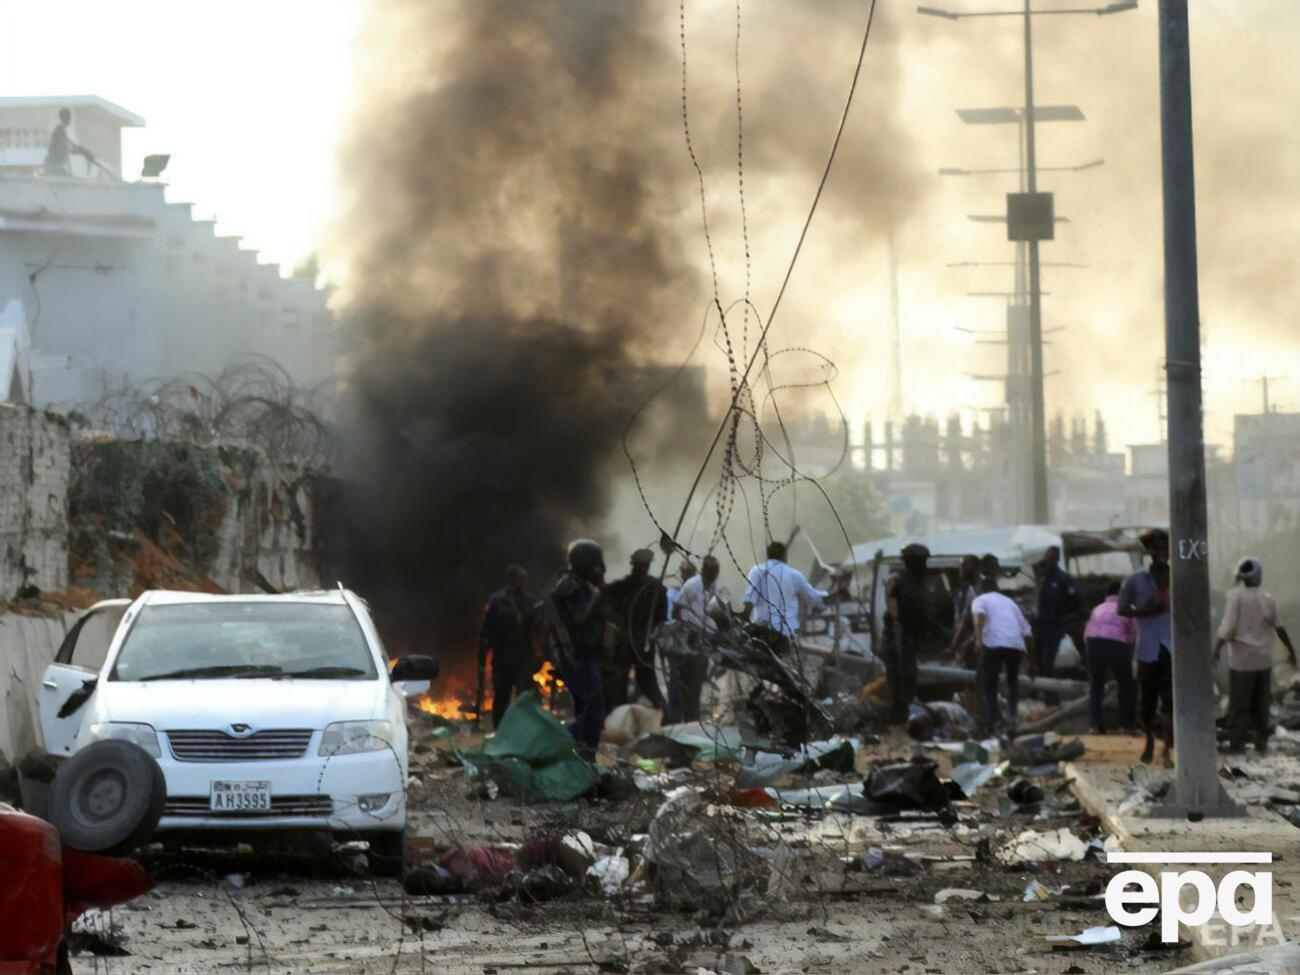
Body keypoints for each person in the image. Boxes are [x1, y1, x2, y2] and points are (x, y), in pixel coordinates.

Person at [1214, 557, 1297, 756]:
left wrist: (1216, 648)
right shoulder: (1268, 598)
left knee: (1239, 704)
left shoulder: (1235, 597)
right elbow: (1280, 628)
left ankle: (1236, 743)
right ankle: (1261, 743)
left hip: (1241, 661)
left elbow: (1228, 627)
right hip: (1263, 660)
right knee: (1261, 703)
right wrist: (1292, 651)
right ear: (1258, 574)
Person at [542, 539, 611, 760]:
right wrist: (596, 598)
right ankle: (554, 744)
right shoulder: (571, 586)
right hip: (577, 657)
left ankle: (582, 758)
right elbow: (579, 619)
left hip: (584, 656)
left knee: (589, 713)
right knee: (593, 715)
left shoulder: (578, 583)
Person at [1118, 529, 1173, 767]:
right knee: (1148, 701)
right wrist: (1145, 611)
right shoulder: (1135, 580)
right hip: (1147, 648)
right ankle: (1149, 741)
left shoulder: (1178, 578)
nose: (1162, 553)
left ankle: (1167, 749)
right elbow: (1121, 609)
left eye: (1165, 548)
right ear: (1149, 552)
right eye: (1157, 548)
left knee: (1170, 700)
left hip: (1172, 648)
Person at [602, 548, 668, 711]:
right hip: (634, 643)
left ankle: (662, 715)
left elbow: (661, 619)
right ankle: (625, 717)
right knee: (630, 683)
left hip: (635, 643)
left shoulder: (654, 589)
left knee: (639, 682)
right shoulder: (653, 588)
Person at [971, 575, 1033, 736]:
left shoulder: (980, 599)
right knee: (1012, 681)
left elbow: (979, 618)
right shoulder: (1010, 602)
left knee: (990, 684)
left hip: (994, 644)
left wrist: (978, 640)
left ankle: (996, 722)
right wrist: (1032, 661)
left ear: (981, 589)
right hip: (1015, 644)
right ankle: (1012, 716)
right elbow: (1026, 630)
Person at [477, 565, 537, 729]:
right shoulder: (497, 601)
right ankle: (500, 732)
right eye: (517, 579)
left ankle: (523, 733)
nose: (520, 583)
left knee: (524, 697)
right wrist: (482, 661)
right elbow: (486, 631)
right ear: (510, 579)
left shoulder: (529, 601)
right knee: (501, 697)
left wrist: (538, 656)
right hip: (502, 656)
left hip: (522, 656)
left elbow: (536, 629)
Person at [742, 540, 826, 656]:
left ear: (768, 554)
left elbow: (748, 604)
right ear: (784, 556)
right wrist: (835, 593)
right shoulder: (795, 575)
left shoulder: (756, 571)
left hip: (760, 633)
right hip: (785, 637)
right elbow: (814, 598)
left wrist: (744, 623)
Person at [883, 543, 934, 724]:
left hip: (908, 637)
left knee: (906, 677)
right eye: (922, 561)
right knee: (902, 677)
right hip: (901, 637)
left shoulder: (919, 582)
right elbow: (893, 610)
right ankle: (900, 715)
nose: (925, 565)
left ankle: (904, 713)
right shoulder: (900, 582)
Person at [669, 555, 722, 723]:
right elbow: (676, 610)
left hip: (704, 640)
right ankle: (675, 719)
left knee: (696, 683)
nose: (713, 575)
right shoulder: (692, 585)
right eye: (710, 572)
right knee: (680, 681)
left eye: (715, 572)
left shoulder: (716, 588)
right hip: (688, 638)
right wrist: (682, 632)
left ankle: (691, 720)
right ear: (704, 571)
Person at [1083, 581, 1137, 734]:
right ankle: (1126, 726)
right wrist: (1130, 654)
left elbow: (1087, 632)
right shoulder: (1128, 608)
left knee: (1096, 684)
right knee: (1126, 684)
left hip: (1094, 643)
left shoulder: (1097, 608)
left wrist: (1089, 654)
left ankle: (1094, 725)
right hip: (1118, 643)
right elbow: (1133, 634)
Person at [1034, 545, 1079, 706]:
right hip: (1040, 625)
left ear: (1057, 558)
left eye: (1053, 556)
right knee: (1038, 662)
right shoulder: (1043, 578)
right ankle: (1045, 695)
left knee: (1048, 663)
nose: (1050, 559)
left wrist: (1065, 615)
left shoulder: (1063, 578)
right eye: (1048, 556)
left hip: (1054, 626)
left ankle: (1052, 699)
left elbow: (1075, 599)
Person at [948, 555, 982, 667]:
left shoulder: (980, 589)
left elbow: (971, 618)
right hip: (965, 640)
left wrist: (970, 640)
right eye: (961, 566)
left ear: (976, 568)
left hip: (976, 641)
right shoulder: (965, 589)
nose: (961, 569)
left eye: (965, 565)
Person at [44, 108, 90, 177]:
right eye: (67, 117)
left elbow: (70, 144)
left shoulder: (62, 131)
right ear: (61, 118)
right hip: (53, 167)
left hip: (56, 166)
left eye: (69, 117)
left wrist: (81, 150)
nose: (69, 119)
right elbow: (63, 147)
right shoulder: (59, 130)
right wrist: (78, 150)